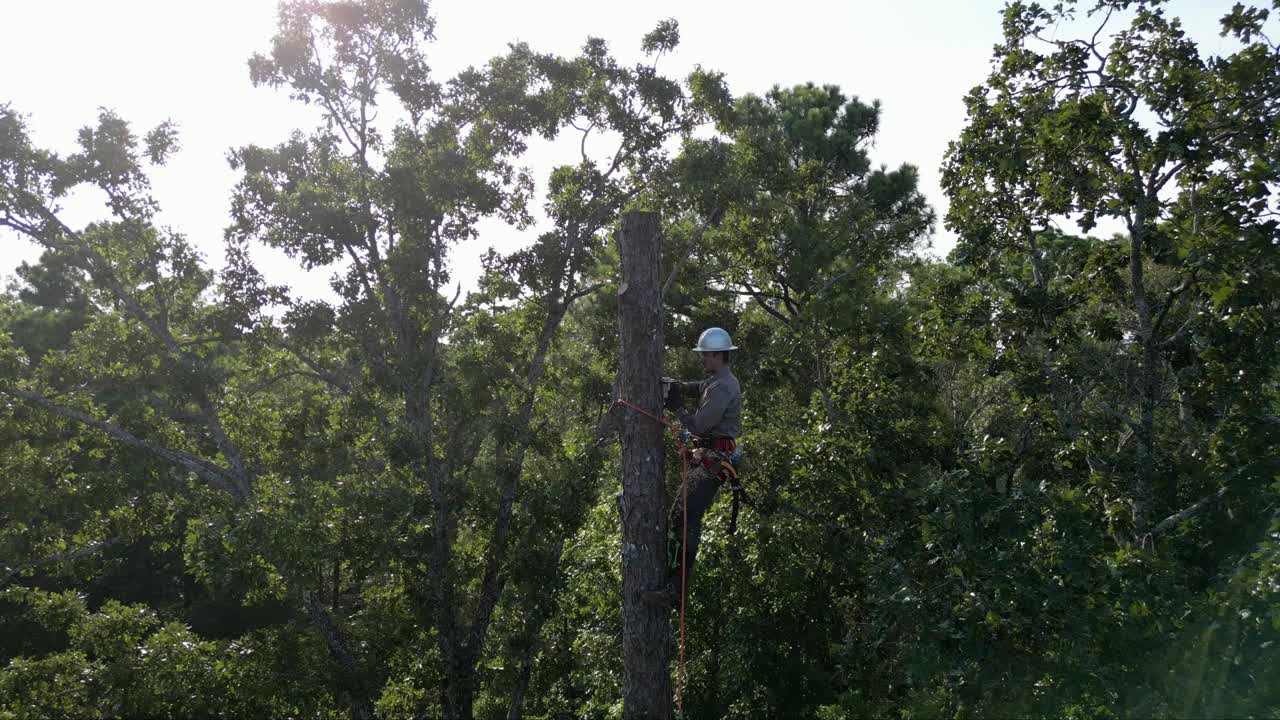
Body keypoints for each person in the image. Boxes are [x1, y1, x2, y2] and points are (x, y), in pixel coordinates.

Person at [643, 327, 742, 610]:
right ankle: (673, 584)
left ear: (718, 355)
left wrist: (676, 407)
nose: (703, 360)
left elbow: (700, 425)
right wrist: (680, 386)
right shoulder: (717, 380)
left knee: (684, 518)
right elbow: (700, 386)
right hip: (710, 457)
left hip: (714, 461)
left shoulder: (723, 387)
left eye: (706, 356)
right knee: (680, 515)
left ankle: (676, 591)